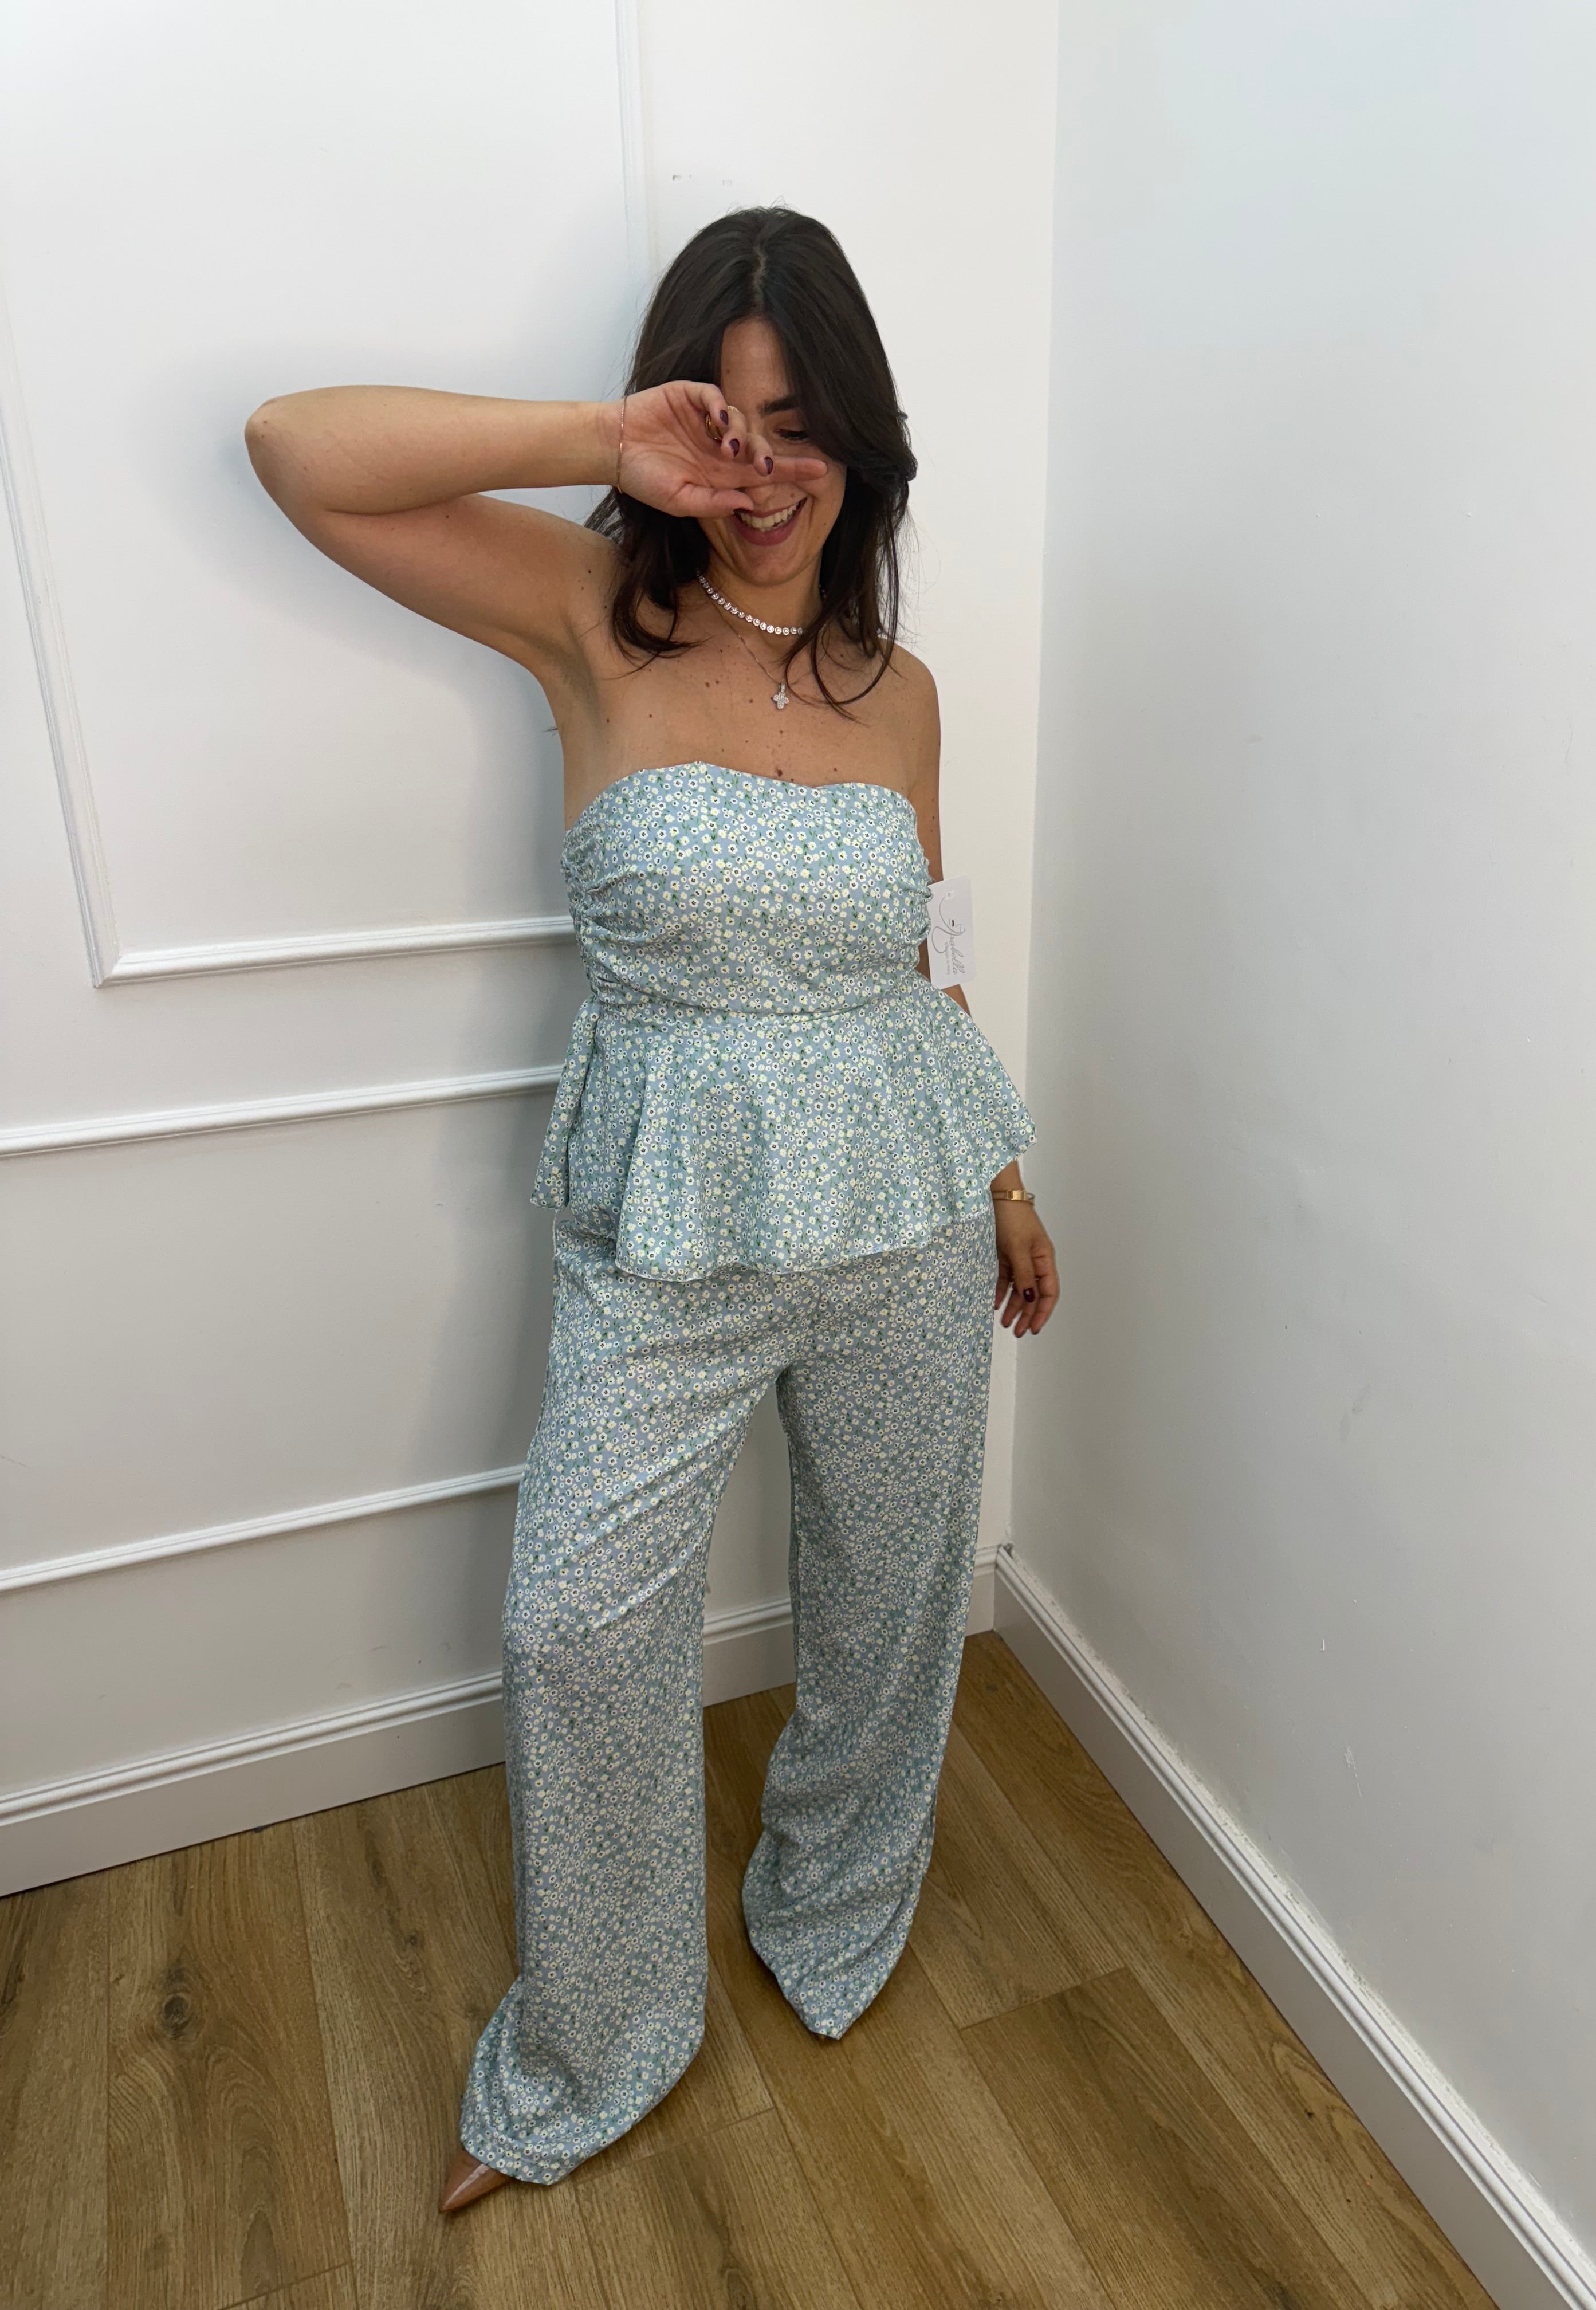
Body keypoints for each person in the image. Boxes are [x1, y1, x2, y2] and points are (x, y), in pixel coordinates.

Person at [245, 203, 1059, 2211]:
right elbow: (295, 449)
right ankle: (602, 2034)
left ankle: (835, 1902)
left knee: (891, 1600)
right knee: (577, 1622)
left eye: (805, 424)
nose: (763, 470)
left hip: (902, 1213)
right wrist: (600, 443)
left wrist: (1002, 1171)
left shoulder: (902, 690)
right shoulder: (587, 614)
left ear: (866, 439)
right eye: (726, 418)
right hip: (670, 1232)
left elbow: (922, 957)